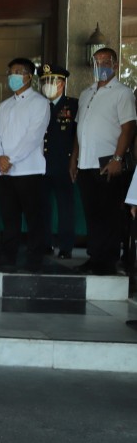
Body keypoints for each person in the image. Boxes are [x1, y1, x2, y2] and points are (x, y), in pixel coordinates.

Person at [70, 47, 136, 275]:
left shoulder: (122, 93)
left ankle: (107, 261)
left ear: (116, 65)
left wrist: (118, 158)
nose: (101, 65)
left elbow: (128, 128)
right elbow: (80, 129)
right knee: (92, 213)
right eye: (97, 61)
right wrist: (74, 159)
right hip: (85, 163)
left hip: (108, 162)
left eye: (106, 61)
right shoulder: (86, 93)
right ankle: (94, 257)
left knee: (109, 214)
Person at [0, 58, 51, 272]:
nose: (12, 76)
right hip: (4, 172)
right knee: (9, 217)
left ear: (29, 76)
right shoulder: (4, 105)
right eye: (10, 72)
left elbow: (33, 137)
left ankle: (35, 258)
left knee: (33, 216)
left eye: (17, 71)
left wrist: (10, 159)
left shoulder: (40, 103)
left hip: (29, 170)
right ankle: (8, 255)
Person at [39, 63, 78, 259]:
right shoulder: (38, 105)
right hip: (40, 164)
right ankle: (44, 244)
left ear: (62, 83)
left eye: (52, 81)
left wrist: (74, 161)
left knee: (65, 207)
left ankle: (65, 247)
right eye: (44, 81)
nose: (48, 85)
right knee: (42, 207)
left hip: (64, 163)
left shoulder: (73, 105)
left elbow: (77, 135)